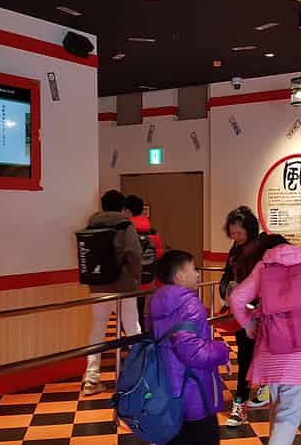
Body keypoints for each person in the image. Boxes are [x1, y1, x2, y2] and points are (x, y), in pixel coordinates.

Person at [229, 235, 301, 445]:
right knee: (288, 416)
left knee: (277, 408)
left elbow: (236, 298)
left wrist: (248, 324)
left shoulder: (263, 267)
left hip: (270, 349)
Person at [150, 250, 230, 445]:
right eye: (193, 269)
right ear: (180, 275)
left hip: (168, 387)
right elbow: (192, 351)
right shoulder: (190, 304)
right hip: (193, 388)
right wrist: (222, 351)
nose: (197, 274)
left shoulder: (157, 300)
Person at [82, 190, 142, 396]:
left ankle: (91, 379)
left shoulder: (91, 224)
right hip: (124, 285)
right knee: (132, 327)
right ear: (122, 207)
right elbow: (134, 253)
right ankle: (140, 375)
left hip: (97, 285)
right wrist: (136, 278)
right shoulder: (125, 225)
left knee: (97, 328)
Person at [219, 206, 270, 427]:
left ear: (249, 229)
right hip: (243, 311)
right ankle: (240, 401)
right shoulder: (235, 249)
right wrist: (226, 290)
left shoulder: (261, 249)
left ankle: (260, 389)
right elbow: (226, 274)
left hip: (262, 310)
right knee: (245, 356)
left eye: (239, 233)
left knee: (263, 353)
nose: (236, 237)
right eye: (232, 233)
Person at [125, 194, 164, 327]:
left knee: (129, 318)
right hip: (148, 279)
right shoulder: (152, 231)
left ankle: (134, 338)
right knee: (142, 313)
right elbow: (159, 255)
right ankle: (143, 335)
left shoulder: (125, 231)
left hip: (129, 280)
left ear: (127, 210)